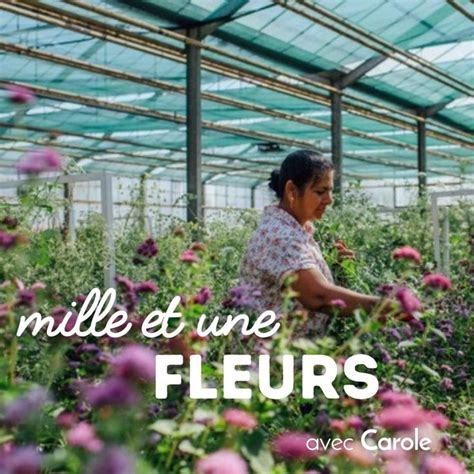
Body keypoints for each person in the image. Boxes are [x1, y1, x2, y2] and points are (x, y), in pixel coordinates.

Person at [240, 149, 382, 333]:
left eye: (330, 191)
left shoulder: (296, 230)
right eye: (321, 191)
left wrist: (337, 272)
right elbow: (318, 297)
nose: (329, 200)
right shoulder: (281, 236)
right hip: (276, 356)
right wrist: (388, 306)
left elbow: (301, 291)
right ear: (292, 190)